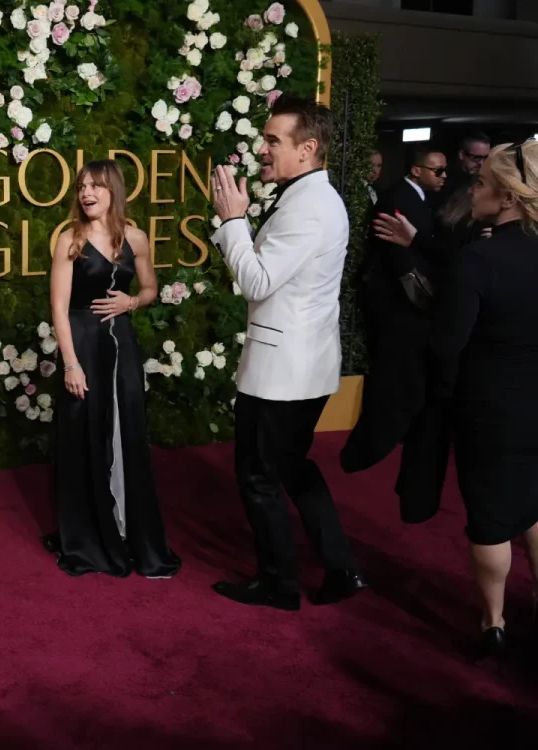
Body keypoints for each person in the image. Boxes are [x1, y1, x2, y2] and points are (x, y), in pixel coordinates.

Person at [373, 140, 538, 659]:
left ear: (509, 198)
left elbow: (448, 343)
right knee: (534, 506)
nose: (474, 192)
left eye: (484, 184)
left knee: (490, 515)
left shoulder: (480, 260)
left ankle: (494, 622)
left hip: (489, 408)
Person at [209, 94, 366, 611]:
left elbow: (257, 281)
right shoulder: (309, 198)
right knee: (293, 468)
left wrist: (233, 221)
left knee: (259, 476)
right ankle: (341, 568)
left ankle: (279, 585)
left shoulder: (311, 207)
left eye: (273, 140)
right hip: (303, 364)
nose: (262, 149)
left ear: (309, 148)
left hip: (282, 373)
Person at [41, 159, 181, 579]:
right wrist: (70, 363)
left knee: (126, 432)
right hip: (82, 344)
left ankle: (128, 530)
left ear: (113, 191)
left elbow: (151, 288)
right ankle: (88, 534)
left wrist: (132, 302)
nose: (86, 193)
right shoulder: (70, 240)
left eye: (96, 186)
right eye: (82, 187)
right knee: (84, 434)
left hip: (122, 346)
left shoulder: (135, 237)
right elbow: (59, 309)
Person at [342, 146, 450, 524]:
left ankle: (385, 431)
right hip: (399, 308)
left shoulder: (417, 197)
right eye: (437, 171)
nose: (443, 177)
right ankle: (378, 436)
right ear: (417, 170)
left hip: (405, 310)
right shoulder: (399, 198)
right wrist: (428, 303)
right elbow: (402, 263)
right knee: (393, 375)